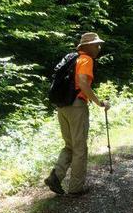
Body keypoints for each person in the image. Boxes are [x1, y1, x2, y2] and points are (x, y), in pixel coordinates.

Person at [44, 32, 110, 196]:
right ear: (86, 46)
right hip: (76, 106)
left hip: (62, 106)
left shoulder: (71, 59)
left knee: (70, 146)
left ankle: (55, 177)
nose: (99, 47)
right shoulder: (86, 59)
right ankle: (76, 188)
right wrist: (99, 102)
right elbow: (82, 82)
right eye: (96, 44)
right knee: (79, 148)